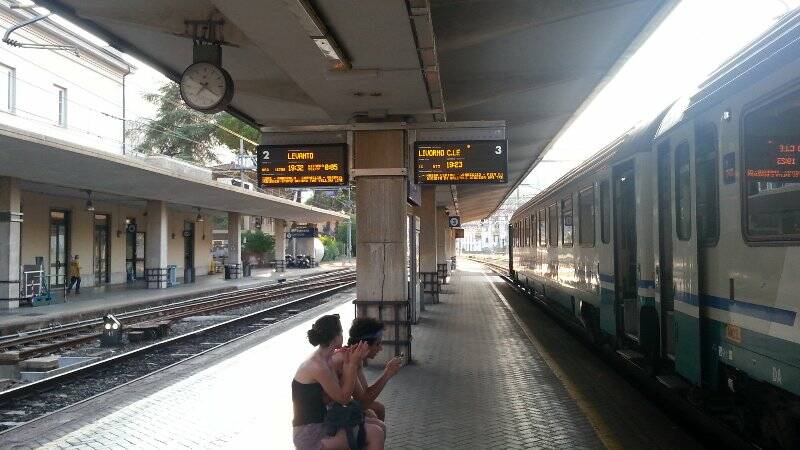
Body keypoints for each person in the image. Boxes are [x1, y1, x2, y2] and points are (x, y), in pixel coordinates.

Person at [292, 314, 385, 450]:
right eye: (341, 332)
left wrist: (351, 363)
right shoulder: (318, 366)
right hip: (309, 433)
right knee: (376, 434)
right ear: (335, 337)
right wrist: (351, 364)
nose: (343, 335)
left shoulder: (326, 358)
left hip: (324, 421)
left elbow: (341, 394)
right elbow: (344, 398)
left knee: (379, 426)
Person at [331, 318, 405, 422]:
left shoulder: (354, 357)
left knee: (378, 409)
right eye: (377, 344)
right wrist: (387, 374)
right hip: (324, 413)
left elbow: (364, 394)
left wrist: (387, 372)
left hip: (337, 405)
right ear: (365, 344)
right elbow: (363, 403)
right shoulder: (347, 359)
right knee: (375, 425)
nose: (380, 348)